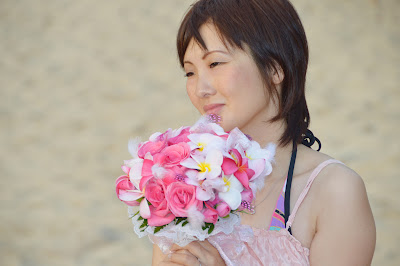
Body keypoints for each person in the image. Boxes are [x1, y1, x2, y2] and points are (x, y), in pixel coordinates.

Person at [152, 0, 376, 265]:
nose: (201, 89)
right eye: (190, 72)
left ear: (274, 67)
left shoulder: (333, 191)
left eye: (215, 64)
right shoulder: (186, 182)